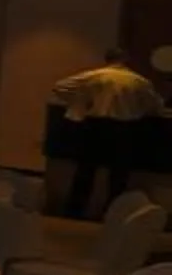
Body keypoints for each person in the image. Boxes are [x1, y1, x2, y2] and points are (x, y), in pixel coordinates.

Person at [53, 49, 165, 217]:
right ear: (126, 60)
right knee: (118, 175)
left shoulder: (95, 75)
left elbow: (61, 86)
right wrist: (138, 110)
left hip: (95, 126)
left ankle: (74, 210)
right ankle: (113, 213)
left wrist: (81, 103)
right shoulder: (138, 81)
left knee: (85, 171)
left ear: (107, 59)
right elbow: (155, 106)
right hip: (123, 129)